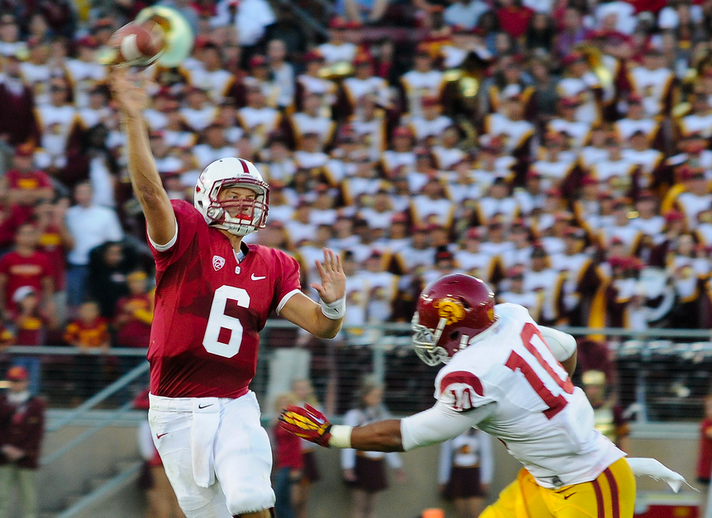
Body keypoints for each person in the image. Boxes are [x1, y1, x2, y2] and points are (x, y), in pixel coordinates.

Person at [108, 66, 346, 518]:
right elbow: (149, 192)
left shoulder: (274, 263)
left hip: (234, 401)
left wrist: (334, 302)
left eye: (250, 196)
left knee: (250, 497)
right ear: (206, 197)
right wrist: (132, 119)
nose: (243, 204)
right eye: (233, 194)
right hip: (173, 408)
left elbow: (323, 327)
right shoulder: (188, 235)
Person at [281, 273, 690, 518]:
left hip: (589, 483)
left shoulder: (471, 372)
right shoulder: (511, 316)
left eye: (431, 327)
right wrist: (548, 395)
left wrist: (332, 434)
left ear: (461, 330)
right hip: (541, 480)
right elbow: (566, 345)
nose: (425, 337)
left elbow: (411, 435)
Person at [342, 379, 406, 518]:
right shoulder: (355, 415)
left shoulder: (381, 415)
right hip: (361, 461)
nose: (378, 399)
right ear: (365, 397)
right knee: (359, 507)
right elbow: (348, 442)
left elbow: (387, 442)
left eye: (379, 396)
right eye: (375, 396)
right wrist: (348, 467)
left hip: (376, 462)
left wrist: (397, 467)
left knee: (371, 507)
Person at [0, 366, 46, 518]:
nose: (16, 384)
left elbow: (37, 433)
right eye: (13, 381)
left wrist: (23, 451)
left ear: (26, 382)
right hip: (3, 456)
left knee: (28, 498)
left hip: (26, 457)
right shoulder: (2, 402)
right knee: (1, 496)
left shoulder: (37, 405)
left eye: (19, 381)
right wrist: (5, 447)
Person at [134, 388, 186, 518]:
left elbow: (146, 451)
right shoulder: (179, 416)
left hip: (160, 462)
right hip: (178, 460)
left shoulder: (150, 422)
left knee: (163, 498)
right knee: (179, 498)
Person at [438, 428, 493, 518]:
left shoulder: (480, 431)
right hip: (457, 472)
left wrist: (486, 479)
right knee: (461, 510)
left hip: (474, 472)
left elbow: (486, 455)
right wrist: (443, 479)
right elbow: (445, 455)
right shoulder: (450, 430)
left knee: (475, 509)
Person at [272, 393, 303, 518]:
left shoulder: (294, 423)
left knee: (280, 501)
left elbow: (297, 447)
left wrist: (296, 468)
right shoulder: (278, 422)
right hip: (281, 464)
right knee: (282, 501)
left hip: (290, 465)